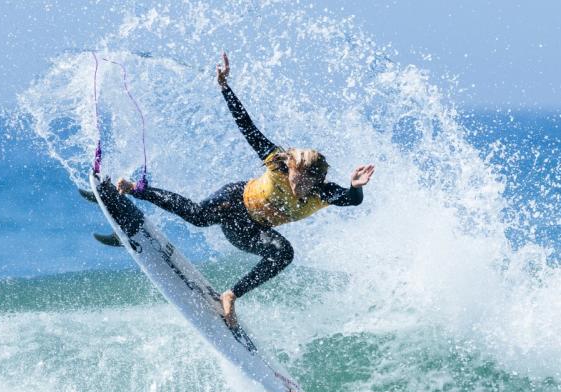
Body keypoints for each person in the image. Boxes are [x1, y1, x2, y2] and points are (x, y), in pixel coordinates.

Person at [116, 52, 374, 326]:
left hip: (248, 231)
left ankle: (231, 295)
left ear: (315, 181)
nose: (295, 184)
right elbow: (246, 126)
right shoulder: (279, 164)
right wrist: (225, 87)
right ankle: (136, 189)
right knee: (198, 217)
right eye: (294, 176)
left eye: (303, 182)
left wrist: (355, 187)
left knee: (284, 254)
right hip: (234, 201)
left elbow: (352, 200)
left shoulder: (324, 192)